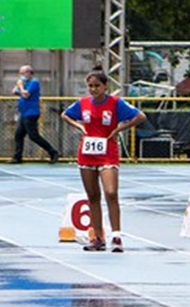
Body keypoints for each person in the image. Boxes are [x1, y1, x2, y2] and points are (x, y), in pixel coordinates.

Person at [61, 68, 147, 252]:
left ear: (105, 86)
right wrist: (79, 126)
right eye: (90, 86)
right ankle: (98, 237)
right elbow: (65, 115)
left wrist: (119, 129)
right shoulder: (82, 104)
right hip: (87, 152)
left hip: (108, 151)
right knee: (92, 196)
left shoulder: (116, 103)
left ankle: (116, 235)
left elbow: (140, 116)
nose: (93, 89)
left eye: (97, 86)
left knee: (111, 192)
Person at [11, 65, 59, 164]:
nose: (21, 76)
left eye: (23, 73)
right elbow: (15, 92)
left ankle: (52, 152)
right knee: (18, 135)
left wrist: (20, 86)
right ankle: (17, 156)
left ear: (29, 73)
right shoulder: (25, 83)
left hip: (31, 113)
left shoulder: (34, 82)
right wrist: (19, 87)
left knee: (33, 135)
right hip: (23, 112)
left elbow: (26, 94)